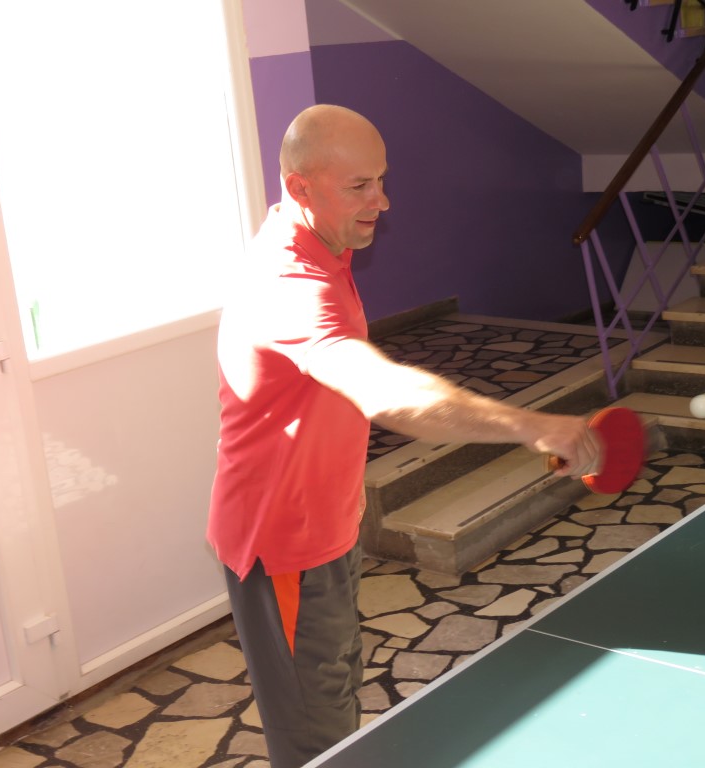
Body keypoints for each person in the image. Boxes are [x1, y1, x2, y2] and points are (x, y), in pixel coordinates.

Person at [207, 104, 601, 768]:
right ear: (300, 186)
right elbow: (386, 392)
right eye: (359, 186)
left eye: (381, 180)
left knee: (334, 699)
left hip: (325, 524)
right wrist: (531, 425)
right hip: (286, 546)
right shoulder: (290, 282)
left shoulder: (317, 240)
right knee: (315, 743)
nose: (381, 201)